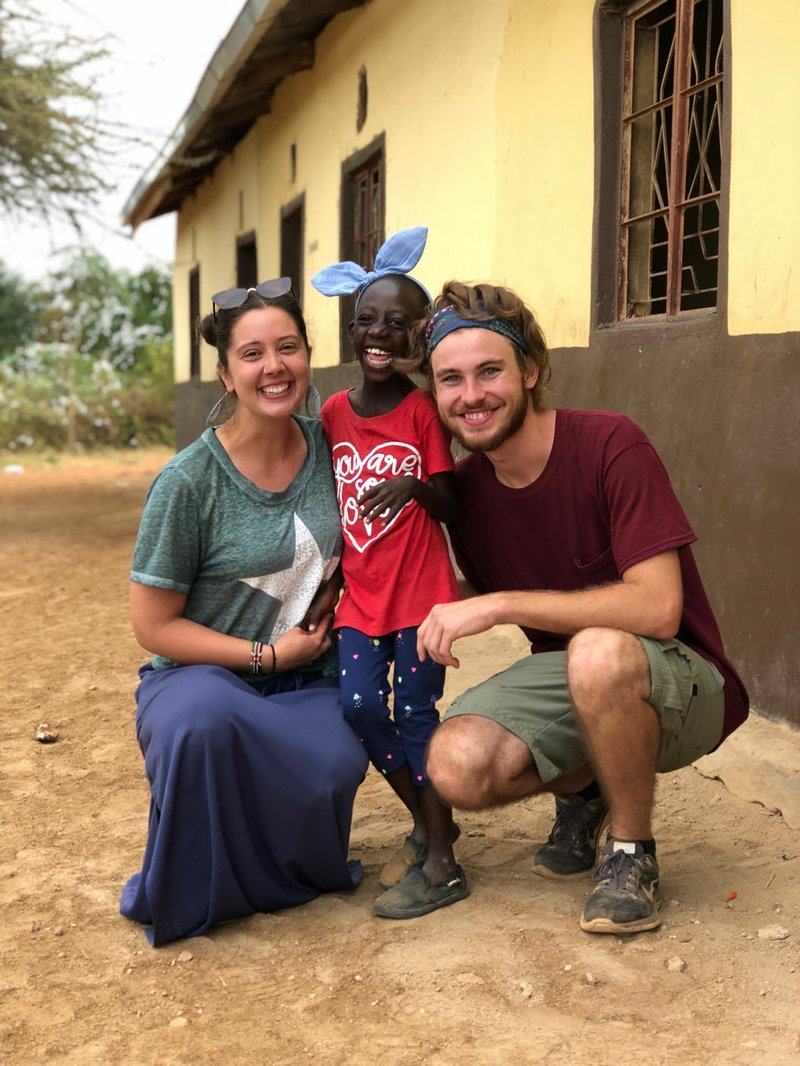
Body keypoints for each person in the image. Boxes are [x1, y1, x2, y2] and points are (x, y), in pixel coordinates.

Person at [410, 281, 749, 935]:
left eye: (489, 371)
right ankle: (586, 790)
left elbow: (657, 608)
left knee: (596, 650)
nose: (470, 395)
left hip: (681, 677)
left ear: (530, 371)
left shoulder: (610, 444)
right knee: (455, 763)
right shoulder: (468, 493)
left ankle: (630, 853)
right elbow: (453, 589)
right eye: (450, 379)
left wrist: (499, 605)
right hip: (575, 677)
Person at [120, 278, 368, 946]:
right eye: (252, 354)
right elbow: (153, 625)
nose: (273, 367)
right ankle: (201, 886)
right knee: (200, 727)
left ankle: (282, 872)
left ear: (308, 356)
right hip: (200, 678)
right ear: (226, 374)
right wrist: (264, 655)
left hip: (304, 682)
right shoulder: (187, 482)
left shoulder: (333, 451)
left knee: (336, 761)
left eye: (287, 347)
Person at [311, 229, 467, 919]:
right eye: (367, 321)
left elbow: (452, 500)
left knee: (415, 716)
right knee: (359, 709)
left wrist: (413, 488)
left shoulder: (422, 410)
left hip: (421, 596)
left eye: (397, 324)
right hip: (361, 595)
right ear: (351, 330)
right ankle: (434, 818)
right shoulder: (333, 413)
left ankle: (442, 858)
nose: (380, 333)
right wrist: (328, 578)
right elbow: (328, 504)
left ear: (417, 337)